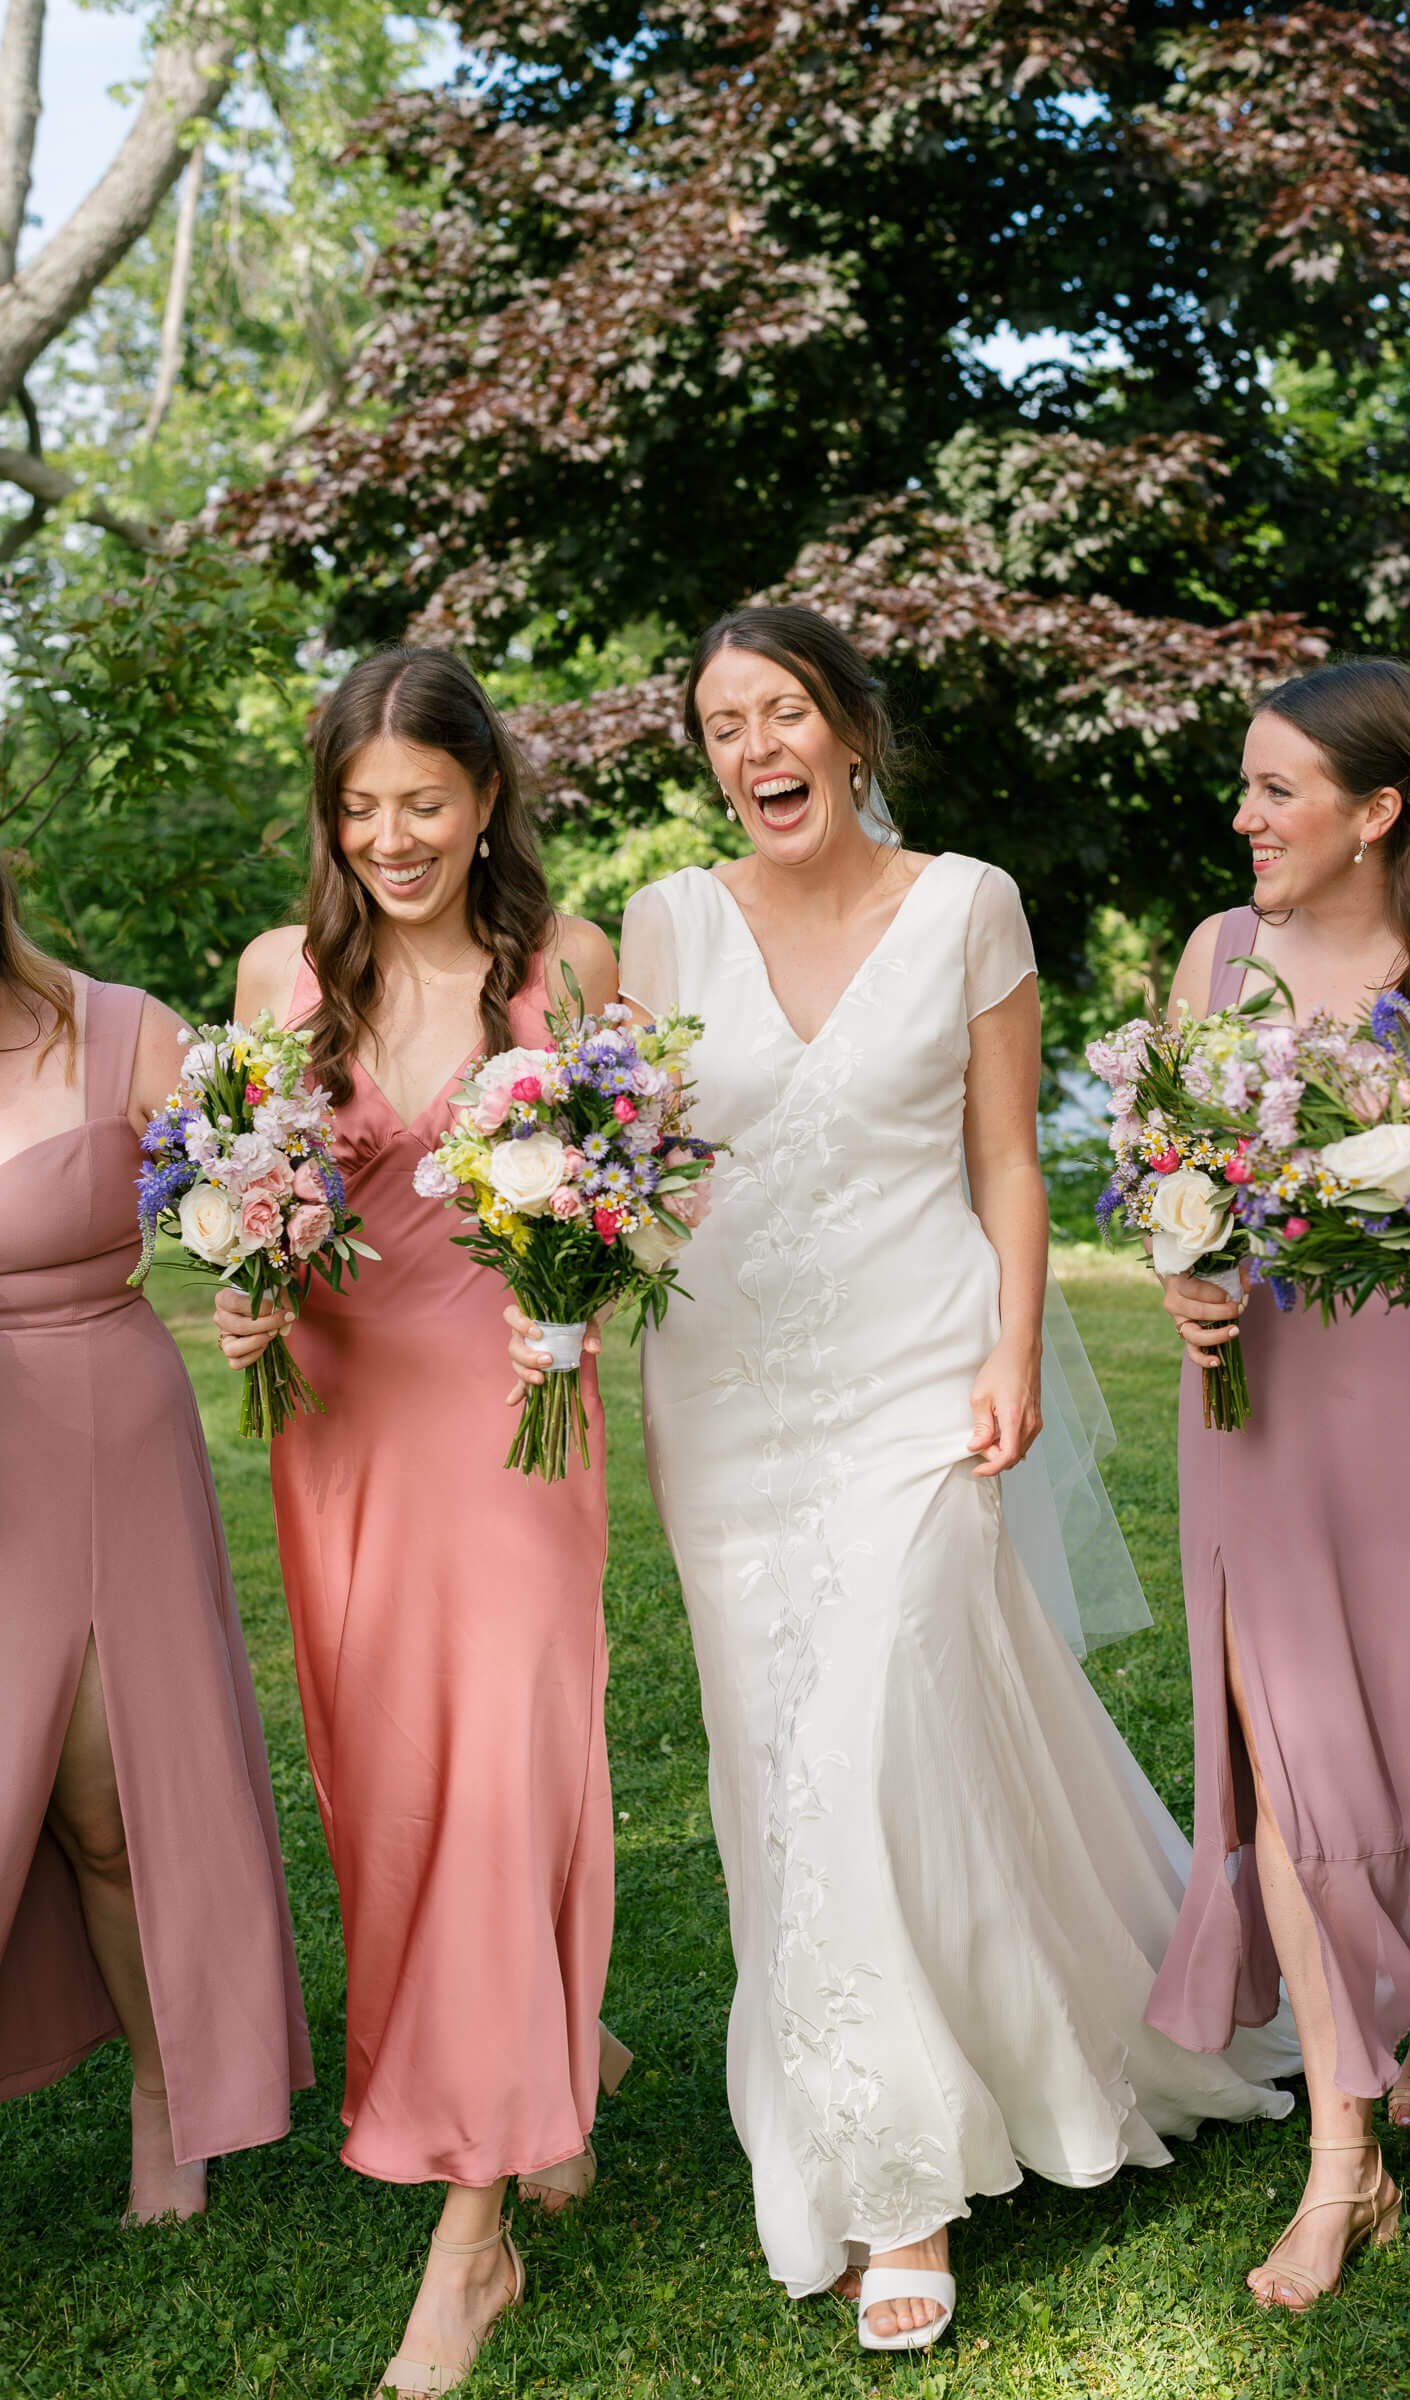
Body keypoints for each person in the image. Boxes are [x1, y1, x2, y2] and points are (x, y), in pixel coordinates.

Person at [556, 602, 1297, 2353]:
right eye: (724, 724)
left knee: (881, 1714)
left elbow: (1004, 1161)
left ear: (850, 732)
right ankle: (888, 2117)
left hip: (917, 1372)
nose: (754, 749)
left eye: (785, 711)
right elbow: (627, 1156)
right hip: (723, 1393)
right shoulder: (659, 930)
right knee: (778, 1760)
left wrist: (1016, 1345)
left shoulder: (968, 905)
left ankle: (905, 2189)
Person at [214, 648, 625, 2396]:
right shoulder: (277, 975)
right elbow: (237, 1195)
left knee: (513, 1755)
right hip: (348, 1426)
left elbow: (634, 1200)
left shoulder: (566, 974)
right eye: (360, 807)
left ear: (484, 804)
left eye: (425, 804)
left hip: (519, 1419)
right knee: (390, 1784)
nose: (392, 836)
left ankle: (473, 2239)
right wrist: (240, 1289)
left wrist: (591, 1288)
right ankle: (547, 2051)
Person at [1144, 658, 1410, 2312]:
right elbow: (1175, 1170)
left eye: (1272, 791)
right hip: (1251, 1410)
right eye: (1244, 787)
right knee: (1288, 1766)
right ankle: (1343, 2156)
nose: (1240, 818)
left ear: (1375, 811)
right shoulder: (1216, 955)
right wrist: (1177, 1267)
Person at [0, 865, 311, 2222]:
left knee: (103, 1807)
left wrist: (263, 1279)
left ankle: (167, 2094)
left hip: (94, 1433)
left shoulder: (122, 1031)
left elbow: (266, 1196)